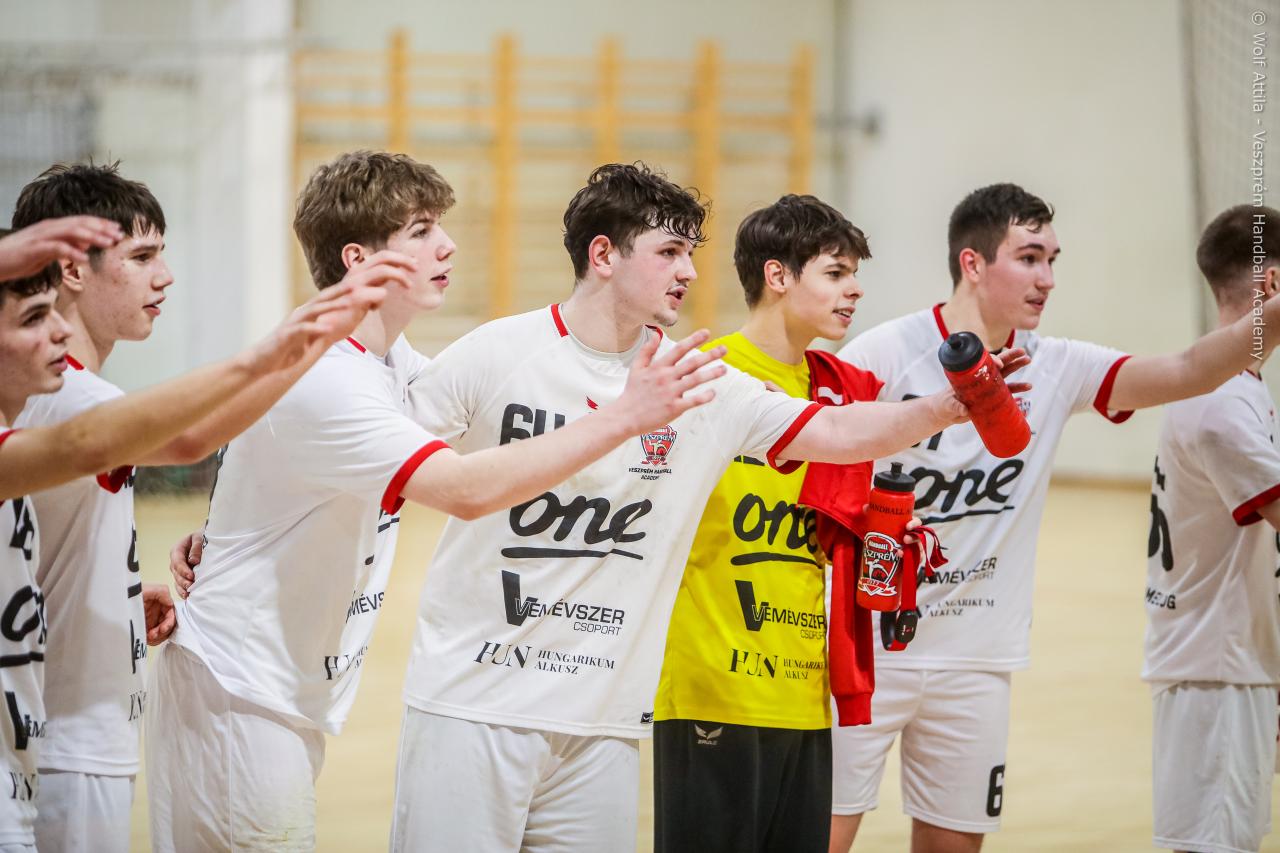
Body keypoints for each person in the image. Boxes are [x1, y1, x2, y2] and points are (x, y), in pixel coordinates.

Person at [388, 164, 1024, 852]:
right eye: (669, 251)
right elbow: (390, 456)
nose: (689, 271)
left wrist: (945, 406)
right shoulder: (499, 352)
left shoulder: (701, 382)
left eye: (690, 252)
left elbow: (837, 431)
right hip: (473, 703)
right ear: (603, 255)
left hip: (602, 722)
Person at [149, 150, 725, 853]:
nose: (447, 245)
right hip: (237, 687)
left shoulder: (390, 365)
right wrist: (627, 415)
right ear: (360, 260)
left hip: (275, 686)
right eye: (421, 231)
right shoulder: (330, 378)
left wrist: (218, 531)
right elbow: (466, 489)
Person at [830, 184, 1280, 853]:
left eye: (1052, 260)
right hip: (870, 652)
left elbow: (1189, 369)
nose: (1047, 279)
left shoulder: (1057, 364)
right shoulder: (881, 355)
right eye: (1029, 258)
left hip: (979, 658)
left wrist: (1273, 313)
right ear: (973, 263)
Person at [11, 162, 401, 852]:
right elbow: (193, 437)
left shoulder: (72, 393)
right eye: (142, 257)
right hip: (63, 738)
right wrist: (297, 344)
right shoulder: (67, 395)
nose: (164, 277)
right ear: (72, 269)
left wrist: (115, 602)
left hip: (78, 724)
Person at [651, 194, 884, 853]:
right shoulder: (703, 376)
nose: (854, 289)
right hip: (713, 687)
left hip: (803, 691)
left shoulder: (841, 389)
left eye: (854, 274)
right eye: (835, 273)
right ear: (777, 275)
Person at [1143, 204, 1280, 853]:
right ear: (1272, 285)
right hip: (1218, 671)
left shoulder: (1224, 384)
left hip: (1223, 660)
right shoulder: (1223, 401)